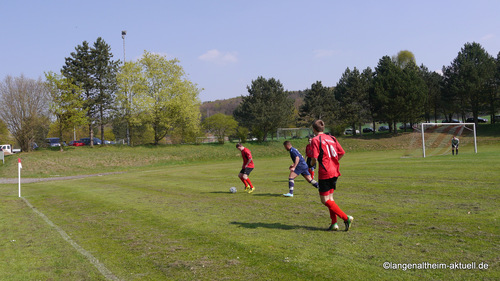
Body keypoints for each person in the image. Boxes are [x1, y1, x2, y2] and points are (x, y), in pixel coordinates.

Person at [310, 120, 354, 231]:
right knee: (330, 198)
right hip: (335, 171)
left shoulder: (315, 140)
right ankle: (334, 223)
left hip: (325, 172)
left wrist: (311, 165)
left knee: (324, 200)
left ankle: (346, 217)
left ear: (314, 129)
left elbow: (314, 158)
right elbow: (342, 152)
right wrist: (333, 162)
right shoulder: (332, 138)